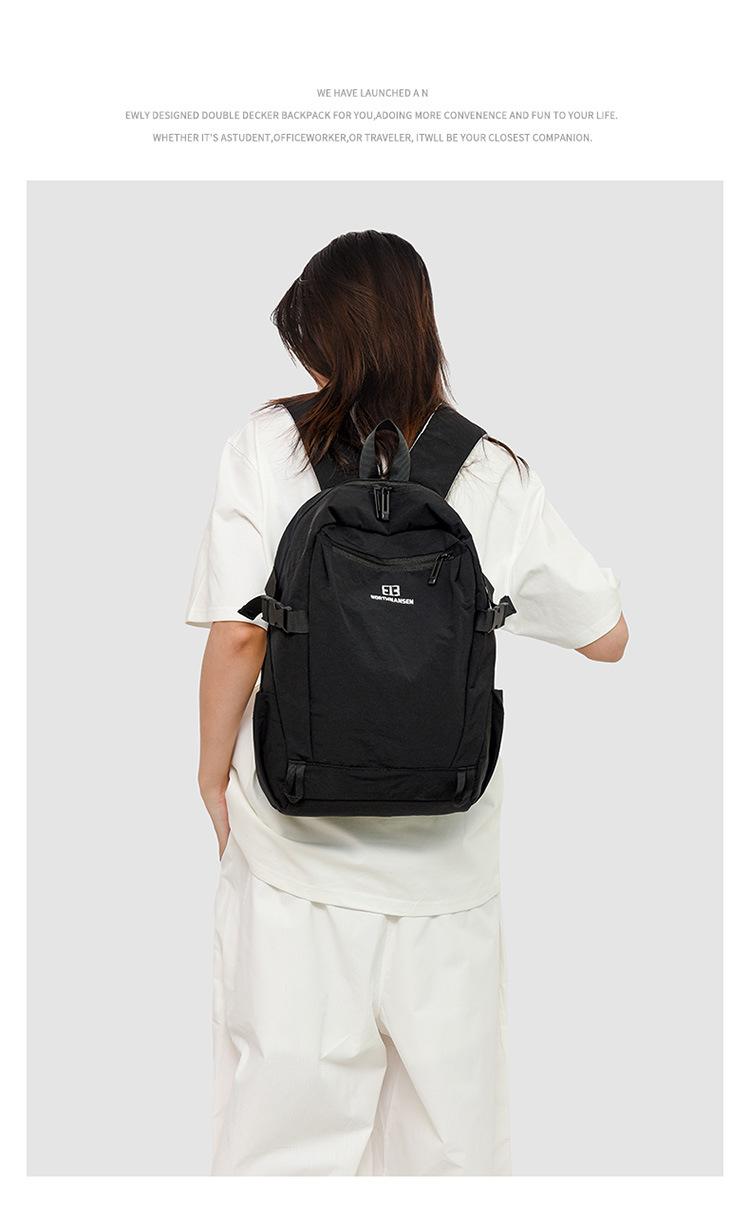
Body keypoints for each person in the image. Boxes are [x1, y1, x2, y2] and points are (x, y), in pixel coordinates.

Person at [185, 230, 629, 1176]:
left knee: (278, 1151)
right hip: (447, 877)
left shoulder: (266, 443)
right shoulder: (493, 471)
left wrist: (211, 776)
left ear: (325, 342)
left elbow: (239, 634)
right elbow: (608, 636)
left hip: (295, 866)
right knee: (449, 1157)